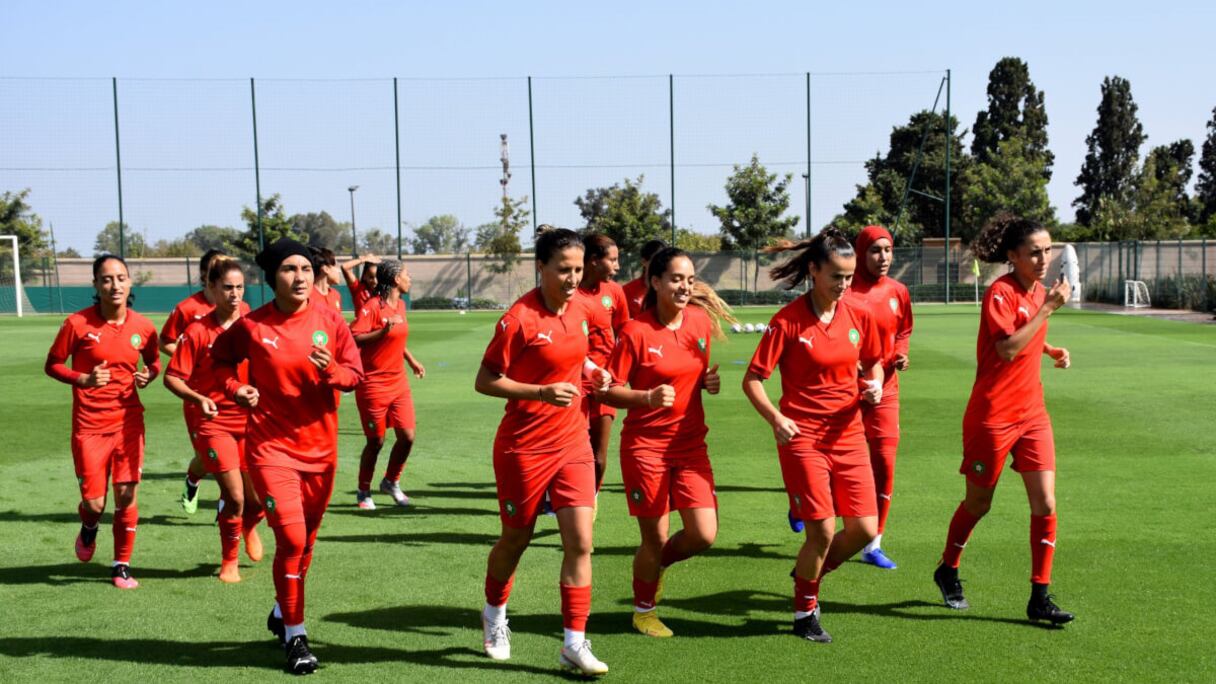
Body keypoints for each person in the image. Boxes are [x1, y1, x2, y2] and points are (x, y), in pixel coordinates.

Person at [211, 238, 363, 674]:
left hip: (321, 451)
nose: (300, 277)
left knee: (307, 543)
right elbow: (219, 362)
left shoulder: (331, 321)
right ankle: (296, 636)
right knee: (292, 540)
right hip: (270, 449)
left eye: (305, 269)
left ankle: (281, 612)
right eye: (289, 270)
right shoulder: (253, 326)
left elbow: (355, 374)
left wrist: (331, 370)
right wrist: (235, 389)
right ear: (272, 277)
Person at [473, 227, 610, 676]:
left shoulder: (583, 309)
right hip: (523, 447)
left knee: (581, 541)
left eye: (577, 269)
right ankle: (494, 616)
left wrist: (594, 372)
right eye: (563, 270)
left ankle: (573, 642)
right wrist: (539, 392)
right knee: (517, 539)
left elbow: (578, 355)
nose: (572, 279)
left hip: (573, 442)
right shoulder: (519, 318)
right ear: (541, 268)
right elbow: (486, 379)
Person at [741, 228, 884, 644]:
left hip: (849, 436)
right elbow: (752, 381)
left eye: (849, 277)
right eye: (836, 276)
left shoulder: (858, 316)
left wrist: (872, 384)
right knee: (821, 531)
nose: (843, 285)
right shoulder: (787, 321)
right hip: (803, 439)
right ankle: (805, 611)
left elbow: (872, 364)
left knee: (862, 529)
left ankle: (809, 572)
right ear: (813, 271)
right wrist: (775, 418)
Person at [932, 213, 1075, 626]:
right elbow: (1009, 348)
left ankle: (1040, 596)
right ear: (1013, 255)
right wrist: (1048, 309)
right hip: (993, 416)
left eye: (1048, 250)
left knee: (1045, 501)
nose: (1044, 258)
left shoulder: (1037, 291)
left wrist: (1049, 350)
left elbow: (1028, 335)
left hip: (1033, 414)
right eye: (1034, 252)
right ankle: (948, 567)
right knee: (979, 503)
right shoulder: (1000, 291)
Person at [601, 247, 735, 638]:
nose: (684, 286)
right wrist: (645, 397)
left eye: (690, 280)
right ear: (655, 282)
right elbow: (609, 391)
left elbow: (698, 375)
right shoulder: (634, 331)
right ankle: (643, 610)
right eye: (676, 279)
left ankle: (657, 566)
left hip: (691, 445)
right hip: (646, 448)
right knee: (654, 537)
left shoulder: (699, 322)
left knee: (703, 534)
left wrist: (709, 384)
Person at [45, 254, 160, 589]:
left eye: (121, 278)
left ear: (129, 282)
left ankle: (121, 564)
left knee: (125, 494)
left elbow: (154, 362)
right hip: (89, 425)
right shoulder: (77, 324)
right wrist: (82, 379)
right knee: (95, 502)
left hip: (129, 421)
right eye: (107, 279)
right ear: (96, 284)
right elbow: (52, 364)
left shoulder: (144, 326)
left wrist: (148, 375)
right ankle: (90, 525)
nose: (115, 285)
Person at [164, 258, 265, 582]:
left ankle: (249, 526)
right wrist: (199, 398)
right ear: (211, 289)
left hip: (252, 422)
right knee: (234, 497)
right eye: (227, 288)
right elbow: (172, 378)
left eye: (239, 288)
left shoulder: (253, 324)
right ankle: (229, 562)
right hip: (214, 422)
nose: (234, 294)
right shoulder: (196, 331)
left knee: (260, 500)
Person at [842, 226, 913, 569]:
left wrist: (900, 353)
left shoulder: (899, 291)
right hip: (846, 392)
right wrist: (858, 376)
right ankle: (804, 502)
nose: (882, 257)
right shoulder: (843, 291)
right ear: (860, 253)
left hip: (887, 391)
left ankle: (873, 543)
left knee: (883, 464)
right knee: (834, 464)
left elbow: (904, 330)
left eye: (887, 250)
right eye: (875, 250)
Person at [161, 248, 249, 515]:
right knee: (213, 461)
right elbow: (165, 341)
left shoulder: (243, 310)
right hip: (199, 398)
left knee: (239, 473)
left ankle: (231, 516)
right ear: (208, 277)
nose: (233, 292)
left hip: (238, 401)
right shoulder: (189, 310)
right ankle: (195, 480)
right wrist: (193, 358)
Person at [350, 259, 425, 510]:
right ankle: (363, 491)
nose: (410, 279)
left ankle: (391, 482)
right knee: (376, 441)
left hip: (398, 383)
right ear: (395, 279)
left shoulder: (401, 305)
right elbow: (354, 337)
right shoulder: (372, 307)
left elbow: (398, 339)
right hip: (372, 384)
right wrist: (381, 333)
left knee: (408, 436)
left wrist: (412, 360)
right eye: (406, 274)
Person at [578, 233, 631, 498]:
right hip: (571, 384)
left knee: (598, 457)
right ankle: (564, 500)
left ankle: (589, 502)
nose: (617, 266)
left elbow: (626, 335)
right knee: (571, 452)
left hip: (605, 385)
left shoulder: (615, 292)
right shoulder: (568, 293)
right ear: (593, 261)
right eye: (613, 260)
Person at [622, 239, 668, 318]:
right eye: (655, 261)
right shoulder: (627, 291)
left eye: (664, 261)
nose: (660, 265)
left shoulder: (669, 289)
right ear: (644, 262)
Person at [310, 247, 344, 314]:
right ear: (326, 269)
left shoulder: (336, 295)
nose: (339, 271)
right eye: (335, 266)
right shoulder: (307, 297)